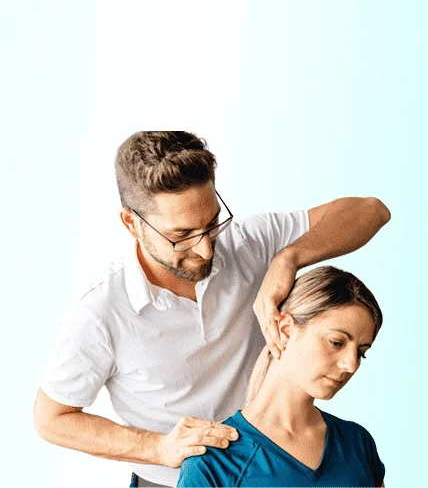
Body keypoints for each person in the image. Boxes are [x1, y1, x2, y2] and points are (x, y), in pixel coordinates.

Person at [33, 131, 390, 487]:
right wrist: (160, 448)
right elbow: (52, 419)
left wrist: (289, 257)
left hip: (274, 464)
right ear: (132, 223)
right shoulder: (100, 311)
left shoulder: (249, 243)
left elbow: (370, 211)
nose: (205, 249)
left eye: (212, 223)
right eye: (182, 234)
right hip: (171, 479)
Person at [178, 265, 386, 488]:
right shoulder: (214, 462)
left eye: (361, 353)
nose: (351, 365)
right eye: (337, 343)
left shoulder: (357, 443)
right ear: (286, 329)